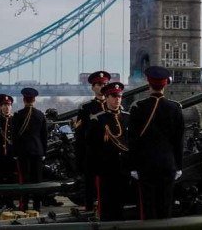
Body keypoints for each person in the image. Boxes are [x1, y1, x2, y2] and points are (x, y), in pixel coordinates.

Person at [129, 66, 184, 220]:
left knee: (148, 207)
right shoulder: (175, 108)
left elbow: (132, 140)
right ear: (165, 84)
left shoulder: (138, 108)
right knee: (165, 206)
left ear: (148, 84)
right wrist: (178, 166)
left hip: (145, 165)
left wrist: (133, 166)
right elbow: (178, 141)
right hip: (167, 165)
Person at [86, 82, 130, 221]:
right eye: (113, 96)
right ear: (106, 97)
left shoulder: (128, 118)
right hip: (106, 168)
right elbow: (92, 147)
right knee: (106, 205)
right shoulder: (98, 119)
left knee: (122, 204)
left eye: (119, 96)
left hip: (124, 167)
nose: (117, 99)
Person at [75, 70, 109, 211]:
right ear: (93, 87)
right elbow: (80, 134)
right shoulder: (86, 108)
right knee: (90, 183)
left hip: (109, 152)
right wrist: (80, 157)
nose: (102, 87)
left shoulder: (114, 105)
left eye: (105, 84)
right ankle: (89, 208)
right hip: (92, 151)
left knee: (108, 184)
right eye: (99, 84)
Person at [12, 87, 47, 211]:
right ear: (34, 100)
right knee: (37, 180)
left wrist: (15, 152)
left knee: (24, 180)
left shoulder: (17, 115)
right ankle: (37, 206)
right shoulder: (40, 114)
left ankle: (24, 205)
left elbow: (14, 135)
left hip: (22, 151)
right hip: (37, 151)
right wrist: (44, 152)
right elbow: (44, 136)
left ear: (23, 100)